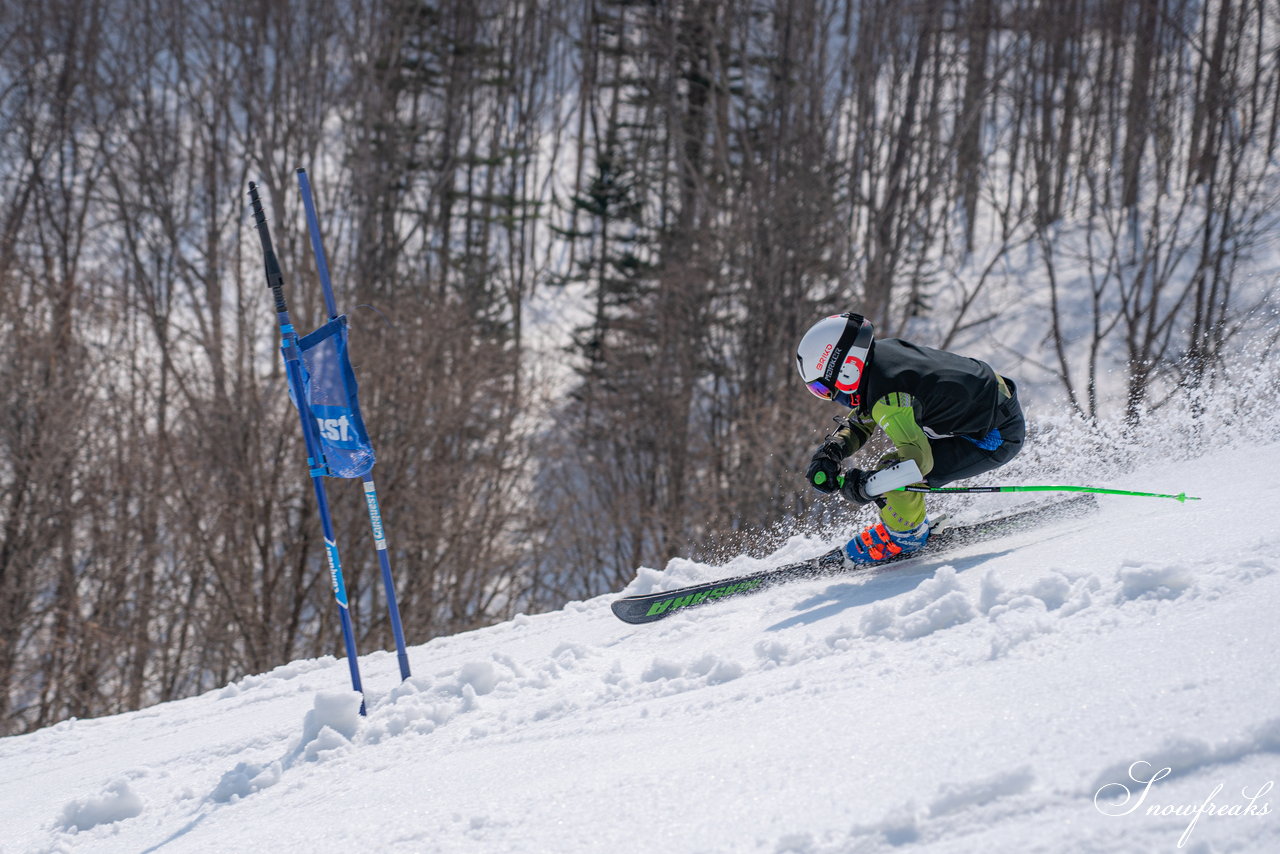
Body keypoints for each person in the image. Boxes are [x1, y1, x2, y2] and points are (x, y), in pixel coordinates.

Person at [795, 312, 1025, 566]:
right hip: (990, 406)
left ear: (847, 371)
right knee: (892, 469)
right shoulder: (881, 358)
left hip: (995, 437)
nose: (828, 396)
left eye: (823, 389)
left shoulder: (888, 399)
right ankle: (908, 522)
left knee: (893, 472)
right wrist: (833, 450)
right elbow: (867, 412)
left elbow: (917, 464)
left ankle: (906, 537)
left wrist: (865, 486)